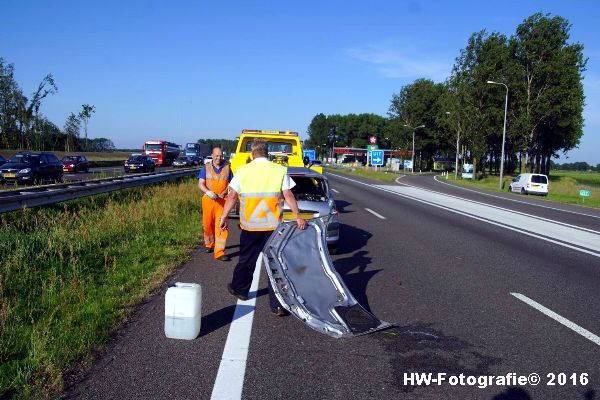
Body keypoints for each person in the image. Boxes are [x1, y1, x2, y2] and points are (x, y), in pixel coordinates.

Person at [219, 139, 307, 316]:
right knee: (275, 265)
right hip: (274, 228)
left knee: (246, 261)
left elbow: (232, 196)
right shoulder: (279, 170)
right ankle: (278, 305)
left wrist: (224, 216)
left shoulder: (243, 171)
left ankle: (240, 290)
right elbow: (288, 195)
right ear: (268, 153)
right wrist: (298, 216)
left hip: (250, 228)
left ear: (253, 153)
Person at [198, 146, 233, 261]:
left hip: (222, 202)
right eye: (216, 156)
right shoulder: (206, 168)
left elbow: (232, 184)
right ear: (212, 156)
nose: (219, 158)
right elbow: (201, 184)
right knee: (208, 224)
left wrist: (226, 192)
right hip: (209, 200)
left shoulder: (228, 168)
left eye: (221, 156)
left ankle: (219, 252)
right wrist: (208, 192)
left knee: (221, 226)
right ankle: (210, 244)